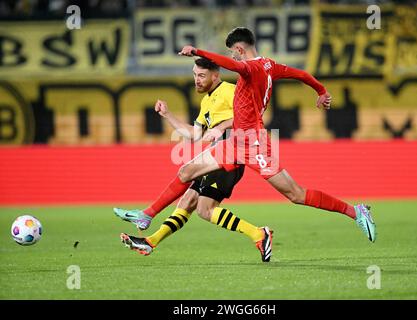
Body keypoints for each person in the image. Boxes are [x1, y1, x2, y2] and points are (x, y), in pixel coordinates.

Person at [115, 27, 376, 263]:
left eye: (235, 53)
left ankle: (356, 212)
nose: (235, 58)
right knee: (186, 171)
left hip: (254, 144)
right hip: (237, 141)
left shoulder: (249, 68)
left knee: (295, 194)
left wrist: (196, 51)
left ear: (240, 49)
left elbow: (228, 63)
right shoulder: (271, 66)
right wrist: (321, 92)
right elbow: (302, 74)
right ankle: (146, 215)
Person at [115, 57, 273, 261]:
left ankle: (147, 215)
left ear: (215, 76)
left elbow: (252, 115)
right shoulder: (207, 100)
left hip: (231, 149)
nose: (196, 80)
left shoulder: (229, 90)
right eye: (194, 75)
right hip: (218, 153)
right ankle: (150, 241)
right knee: (189, 201)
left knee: (199, 199)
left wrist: (220, 127)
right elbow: (195, 134)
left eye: (201, 75)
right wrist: (168, 115)